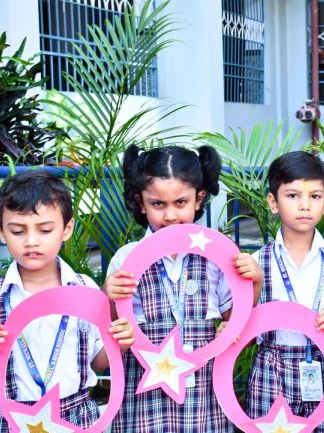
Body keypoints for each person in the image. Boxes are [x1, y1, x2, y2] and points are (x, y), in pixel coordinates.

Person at [103, 145, 263, 433]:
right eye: (158, 204)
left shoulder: (218, 258)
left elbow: (238, 324)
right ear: (141, 202)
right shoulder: (126, 258)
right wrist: (109, 296)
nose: (171, 215)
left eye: (180, 202)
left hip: (204, 395)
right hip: (143, 395)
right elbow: (111, 331)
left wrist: (254, 283)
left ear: (198, 199)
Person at [0, 170, 134, 433]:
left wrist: (118, 343)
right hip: (10, 420)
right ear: (1, 232)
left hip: (77, 417)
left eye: (45, 230)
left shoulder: (85, 289)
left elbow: (96, 362)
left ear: (67, 229)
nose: (31, 241)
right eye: (17, 231)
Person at [240, 151, 324, 432]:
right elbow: (242, 322)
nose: (305, 206)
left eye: (315, 196)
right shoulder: (257, 263)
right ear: (273, 202)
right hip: (271, 366)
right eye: (293, 196)